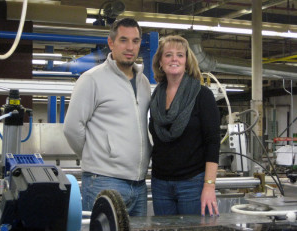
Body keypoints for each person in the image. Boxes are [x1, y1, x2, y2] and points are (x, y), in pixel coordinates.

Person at [63, 18, 151, 216]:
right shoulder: (92, 79)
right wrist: (97, 155)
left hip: (139, 184)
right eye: (123, 40)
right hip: (103, 181)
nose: (130, 47)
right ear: (111, 43)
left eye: (135, 41)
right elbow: (71, 128)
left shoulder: (144, 82)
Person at [149, 35, 220, 216]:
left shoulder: (202, 95)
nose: (174, 59)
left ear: (187, 62)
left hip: (192, 183)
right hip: (160, 183)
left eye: (180, 55)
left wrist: (209, 186)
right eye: (168, 55)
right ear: (160, 62)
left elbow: (213, 142)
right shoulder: (155, 97)